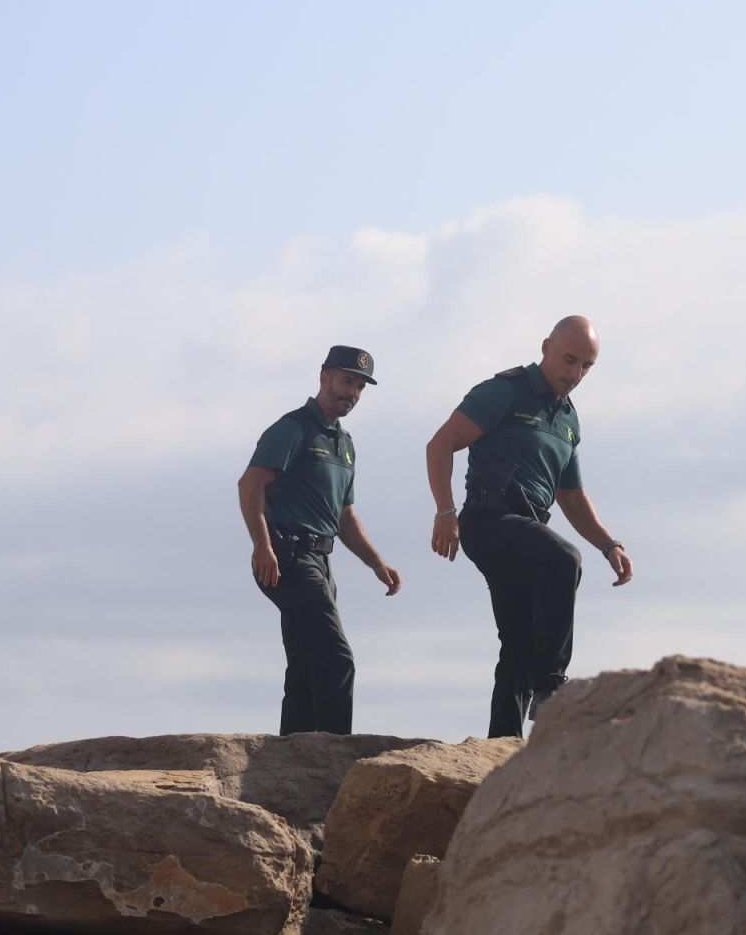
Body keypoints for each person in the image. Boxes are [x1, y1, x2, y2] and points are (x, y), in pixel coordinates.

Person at [425, 316, 635, 738]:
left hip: (527, 531)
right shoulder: (506, 391)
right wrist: (445, 512)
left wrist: (609, 544)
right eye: (569, 360)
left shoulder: (568, 419)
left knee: (519, 646)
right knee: (563, 559)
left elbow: (572, 497)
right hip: (489, 520)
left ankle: (501, 747)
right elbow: (440, 443)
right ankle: (552, 686)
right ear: (546, 347)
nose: (575, 374)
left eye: (586, 367)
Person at [238, 345, 402, 735]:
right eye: (347, 381)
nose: (352, 392)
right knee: (335, 657)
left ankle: (293, 757)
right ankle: (336, 756)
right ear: (324, 376)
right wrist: (262, 545)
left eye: (360, 387)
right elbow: (250, 484)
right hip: (286, 555)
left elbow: (344, 516)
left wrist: (376, 562)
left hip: (321, 561)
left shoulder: (345, 444)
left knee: (305, 663)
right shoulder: (293, 428)